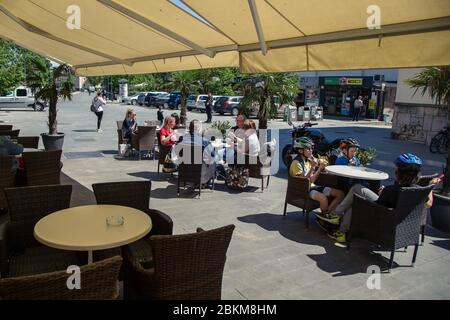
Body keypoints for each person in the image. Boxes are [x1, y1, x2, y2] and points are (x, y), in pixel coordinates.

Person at [324, 153, 437, 243]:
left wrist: (382, 193)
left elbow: (379, 206)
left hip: (380, 218)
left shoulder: (391, 190)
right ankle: (341, 231)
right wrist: (430, 188)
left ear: (399, 173)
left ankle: (337, 217)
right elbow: (428, 204)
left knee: (356, 190)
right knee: (356, 196)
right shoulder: (419, 191)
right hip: (401, 224)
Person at [289, 137, 345, 216]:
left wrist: (325, 162)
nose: (311, 150)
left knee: (340, 194)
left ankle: (328, 214)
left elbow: (321, 162)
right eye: (308, 149)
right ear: (300, 151)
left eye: (311, 148)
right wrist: (314, 168)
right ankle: (326, 216)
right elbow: (305, 182)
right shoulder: (296, 163)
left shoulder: (309, 159)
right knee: (323, 199)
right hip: (304, 190)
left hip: (313, 187)